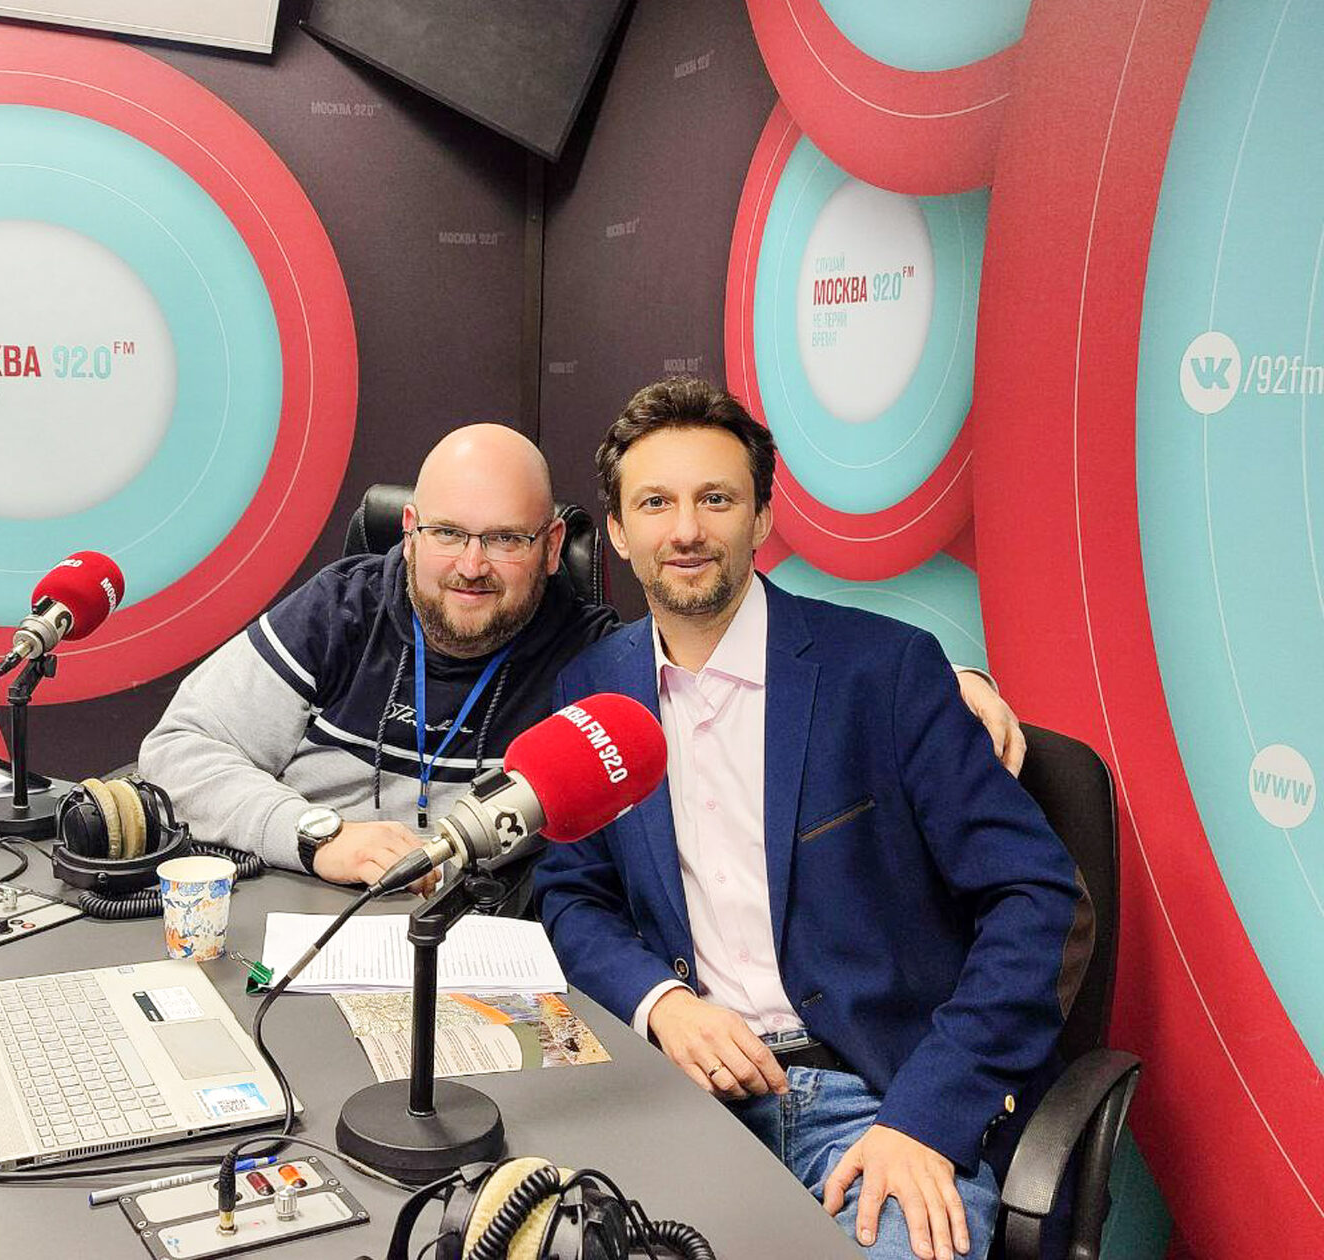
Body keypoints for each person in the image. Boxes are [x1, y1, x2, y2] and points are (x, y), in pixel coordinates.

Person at [533, 378, 1093, 1260]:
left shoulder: (886, 672)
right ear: (618, 532)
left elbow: (1037, 899)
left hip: (878, 1102)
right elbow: (573, 894)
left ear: (761, 517)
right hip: (679, 1092)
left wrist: (926, 1116)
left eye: (716, 499)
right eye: (656, 503)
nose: (686, 530)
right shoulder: (593, 689)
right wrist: (662, 1004)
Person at [141, 423, 1025, 891]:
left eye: (507, 539)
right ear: (408, 530)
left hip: (464, 948)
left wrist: (943, 683)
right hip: (297, 901)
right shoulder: (342, 608)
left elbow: (719, 680)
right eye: (447, 533)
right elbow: (179, 750)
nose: (472, 565)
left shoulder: (594, 660)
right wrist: (319, 837)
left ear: (555, 543)